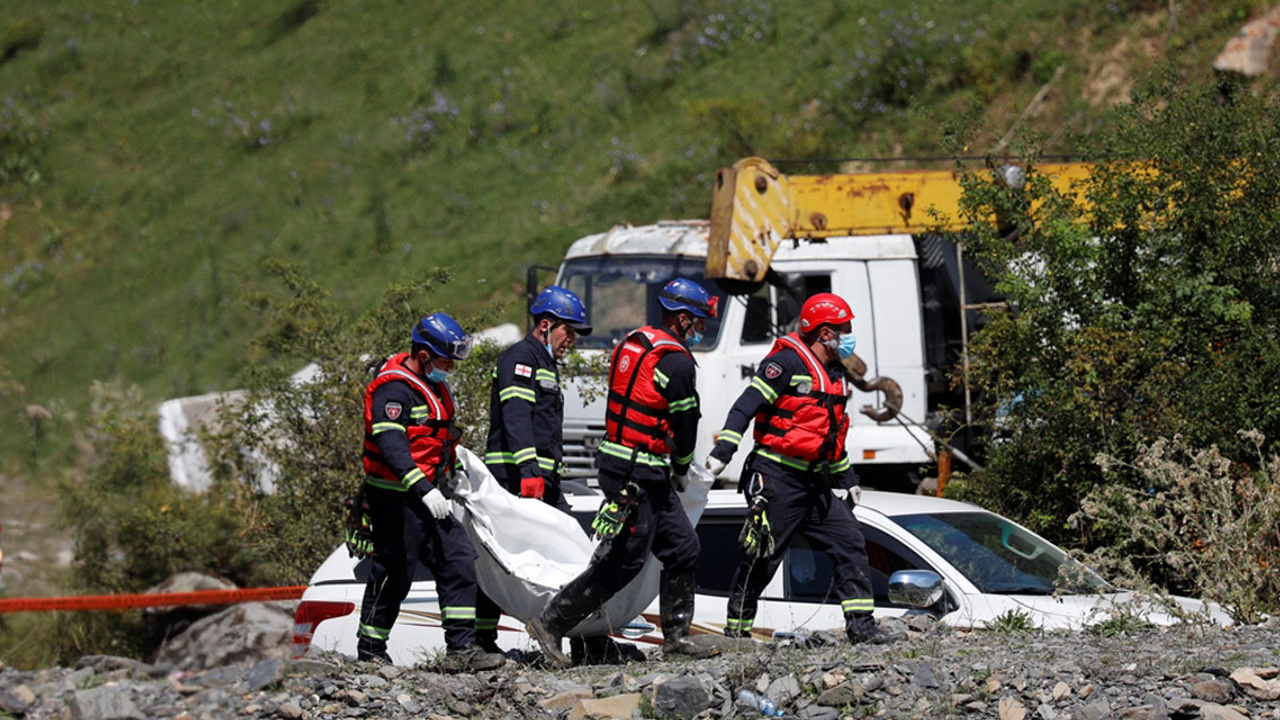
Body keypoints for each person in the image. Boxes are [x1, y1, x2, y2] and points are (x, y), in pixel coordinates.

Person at [526, 277, 719, 668]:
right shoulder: (677, 361)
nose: (700, 330)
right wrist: (683, 466)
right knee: (626, 561)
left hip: (630, 467)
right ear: (682, 319)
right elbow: (685, 425)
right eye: (698, 322)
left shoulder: (636, 343)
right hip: (637, 471)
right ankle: (550, 622)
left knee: (683, 548)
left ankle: (677, 636)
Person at [703, 293, 903, 646]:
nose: (850, 337)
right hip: (777, 477)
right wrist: (724, 450)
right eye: (846, 330)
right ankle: (737, 633)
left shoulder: (835, 372)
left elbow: (831, 436)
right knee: (762, 555)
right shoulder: (784, 363)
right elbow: (744, 406)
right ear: (826, 333)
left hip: (816, 482)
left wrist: (848, 480)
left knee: (850, 541)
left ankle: (861, 626)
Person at [355, 313, 506, 671]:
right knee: (394, 573)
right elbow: (391, 446)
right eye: (445, 360)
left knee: (459, 559)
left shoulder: (433, 385)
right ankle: (370, 650)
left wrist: (449, 477)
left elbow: (436, 440)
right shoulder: (393, 390)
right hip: (395, 498)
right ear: (423, 356)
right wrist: (423, 489)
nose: (450, 367)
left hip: (428, 495)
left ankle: (461, 650)